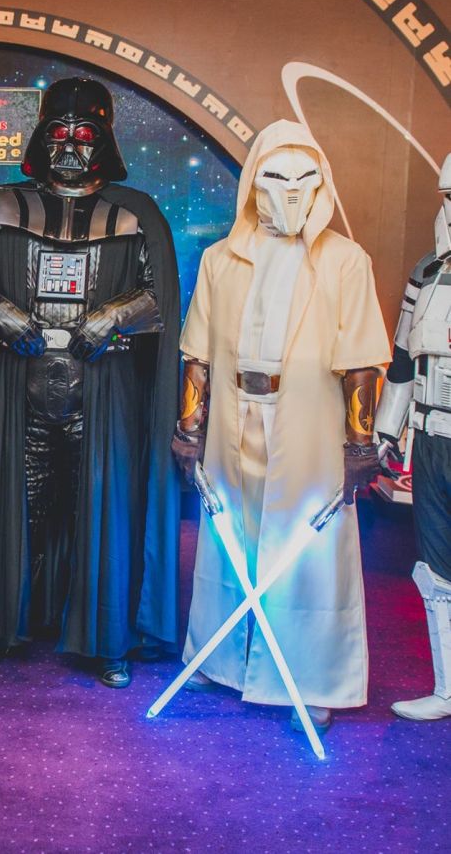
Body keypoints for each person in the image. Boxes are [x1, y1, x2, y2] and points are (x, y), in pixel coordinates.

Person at [0, 77, 181, 688]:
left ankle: (109, 639)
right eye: (59, 133)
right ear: (40, 137)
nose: (71, 146)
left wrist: (113, 316)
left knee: (99, 517)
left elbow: (160, 295)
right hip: (19, 386)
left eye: (84, 134)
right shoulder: (4, 205)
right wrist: (3, 313)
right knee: (13, 511)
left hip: (102, 392)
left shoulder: (135, 213)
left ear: (105, 140)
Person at [172, 119, 390, 734]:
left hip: (310, 424)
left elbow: (361, 359)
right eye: (276, 176)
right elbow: (198, 354)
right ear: (253, 182)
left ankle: (311, 677)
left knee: (309, 555)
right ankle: (226, 660)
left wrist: (361, 444)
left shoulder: (345, 261)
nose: (291, 190)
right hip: (234, 417)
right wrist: (189, 431)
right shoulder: (221, 259)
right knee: (231, 541)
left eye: (304, 178)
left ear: (321, 182)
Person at [378, 152, 451, 722]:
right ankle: (447, 689)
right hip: (430, 439)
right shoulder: (427, 273)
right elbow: (404, 361)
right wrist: (385, 432)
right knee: (435, 565)